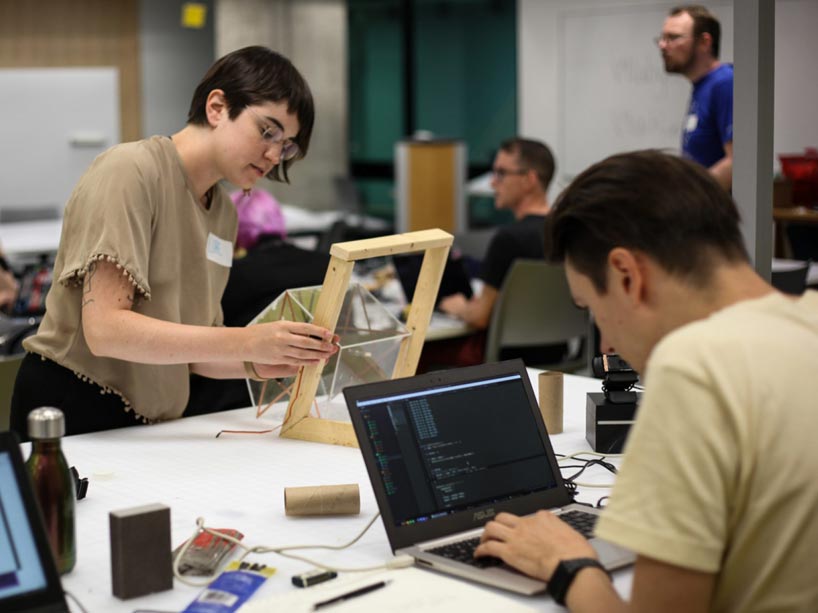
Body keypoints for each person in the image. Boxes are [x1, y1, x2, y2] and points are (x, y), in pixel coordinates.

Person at [474, 150, 818, 612]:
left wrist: (566, 563)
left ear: (626, 274)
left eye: (592, 308)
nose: (606, 342)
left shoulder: (695, 369)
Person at [10, 46, 339, 439]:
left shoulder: (223, 213)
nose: (273, 154)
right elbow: (106, 330)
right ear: (217, 107)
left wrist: (259, 361)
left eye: (286, 145)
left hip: (153, 423)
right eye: (267, 131)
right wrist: (247, 340)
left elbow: (194, 352)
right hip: (75, 409)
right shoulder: (131, 171)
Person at [429, 138, 567, 368]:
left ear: (529, 179)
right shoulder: (567, 232)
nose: (493, 183)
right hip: (559, 356)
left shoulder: (509, 239)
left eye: (501, 173)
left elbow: (480, 317)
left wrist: (460, 307)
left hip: (504, 362)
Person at [658, 5, 733, 191]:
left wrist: (691, 199)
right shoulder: (702, 86)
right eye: (663, 38)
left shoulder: (724, 83)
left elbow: (738, 160)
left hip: (714, 213)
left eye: (673, 37)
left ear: (705, 42)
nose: (663, 45)